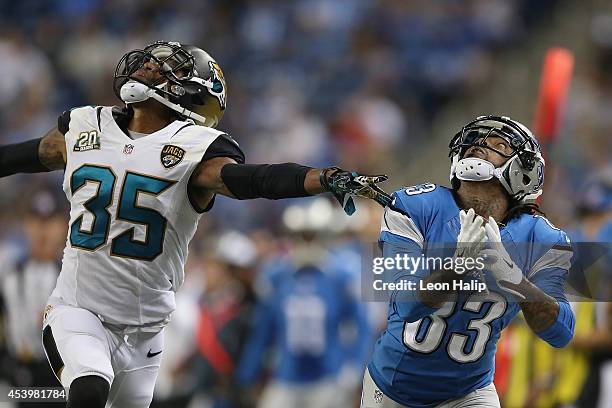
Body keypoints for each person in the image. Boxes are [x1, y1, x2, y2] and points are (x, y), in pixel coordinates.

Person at [0, 41, 390, 408]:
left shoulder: (194, 149)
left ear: (193, 95)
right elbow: (18, 156)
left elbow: (255, 180)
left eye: (163, 69)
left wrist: (320, 177)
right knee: (88, 388)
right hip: (78, 307)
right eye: (149, 63)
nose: (147, 68)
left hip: (146, 329)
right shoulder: (86, 126)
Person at [361, 116, 576, 408]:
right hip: (394, 388)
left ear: (523, 173)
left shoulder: (540, 236)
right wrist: (457, 267)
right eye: (475, 142)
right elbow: (405, 303)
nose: (478, 147)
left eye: (497, 145)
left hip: (470, 392)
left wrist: (514, 279)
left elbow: (561, 332)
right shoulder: (416, 207)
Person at [0, 190, 67, 408]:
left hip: (56, 381)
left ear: (62, 226)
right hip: (15, 377)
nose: (42, 230)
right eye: (36, 221)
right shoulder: (9, 275)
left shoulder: (69, 278)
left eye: (49, 222)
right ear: (27, 225)